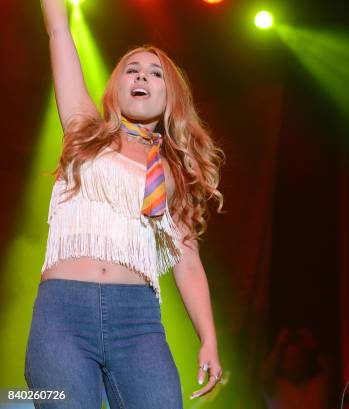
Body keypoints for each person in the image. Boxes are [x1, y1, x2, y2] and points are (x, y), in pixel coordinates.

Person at [25, 1, 224, 407]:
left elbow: (187, 262)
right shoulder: (83, 130)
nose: (141, 76)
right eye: (132, 69)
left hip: (138, 320)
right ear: (116, 86)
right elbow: (59, 32)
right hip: (63, 313)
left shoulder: (173, 171)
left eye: (155, 74)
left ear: (170, 97)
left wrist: (209, 339)